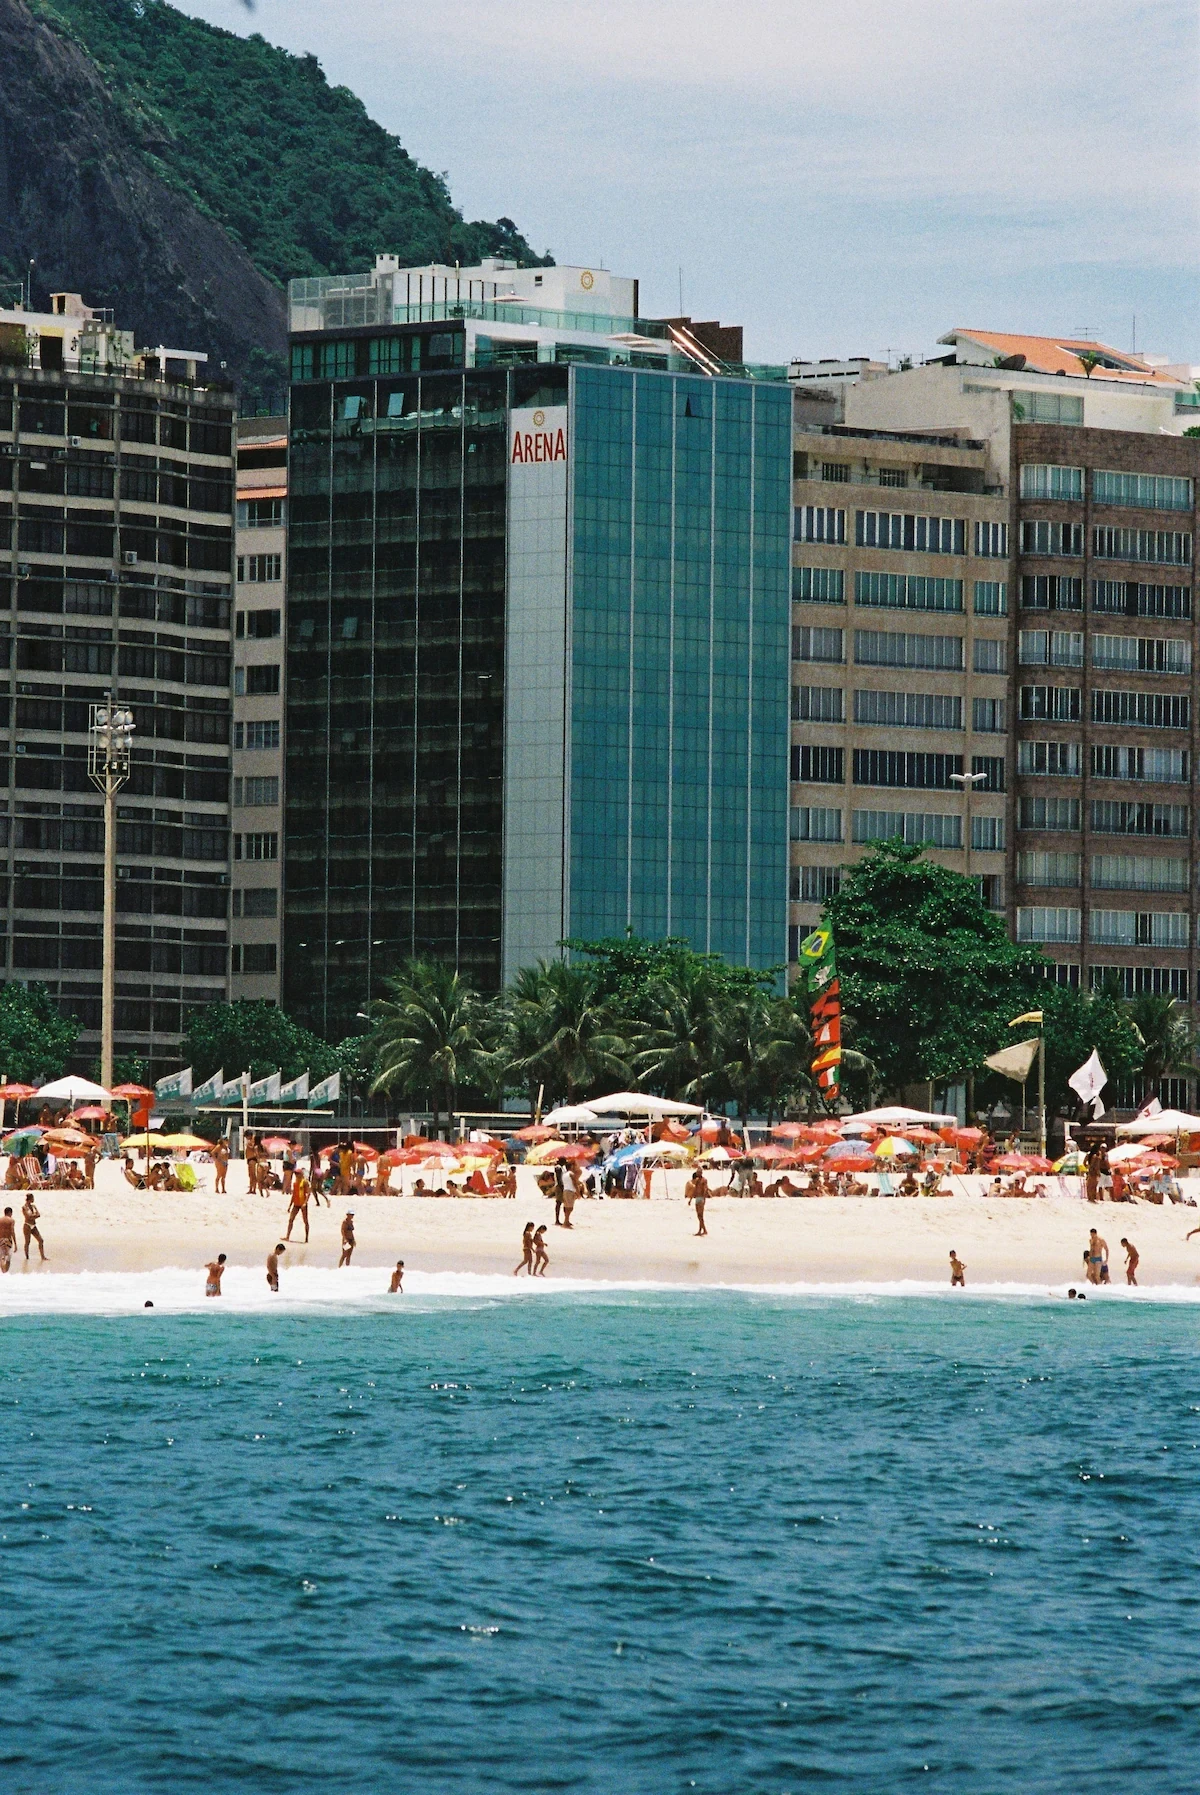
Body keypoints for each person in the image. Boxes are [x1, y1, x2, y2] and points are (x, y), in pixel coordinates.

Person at [285, 1172, 310, 1243]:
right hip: (296, 1204)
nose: (296, 1175)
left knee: (305, 1221)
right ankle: (287, 1236)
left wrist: (305, 1203)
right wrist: (290, 1206)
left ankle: (306, 1238)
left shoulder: (305, 1182)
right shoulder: (295, 1183)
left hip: (303, 1204)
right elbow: (293, 1195)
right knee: (291, 1220)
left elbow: (308, 1193)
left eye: (298, 1174)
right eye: (296, 1174)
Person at [22, 1194, 45, 1262]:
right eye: (32, 1198)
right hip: (27, 1225)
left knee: (41, 1240)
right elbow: (28, 1217)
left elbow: (38, 1215)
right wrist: (34, 1216)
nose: (33, 1199)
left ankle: (42, 1256)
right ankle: (27, 1257)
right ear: (30, 1199)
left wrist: (33, 1216)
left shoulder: (33, 1206)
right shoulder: (24, 1207)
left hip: (33, 1225)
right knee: (27, 1242)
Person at [686, 1168, 709, 1236]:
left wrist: (704, 1199)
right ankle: (703, 1230)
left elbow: (705, 1189)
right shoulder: (697, 1181)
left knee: (700, 1215)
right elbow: (695, 1190)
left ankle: (702, 1230)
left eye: (699, 1172)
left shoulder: (704, 1180)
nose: (697, 1174)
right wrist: (690, 1199)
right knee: (699, 1216)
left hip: (701, 1198)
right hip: (697, 1198)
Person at [0, 1206, 15, 1273]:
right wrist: (15, 1243)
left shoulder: (0, 1220)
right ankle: (5, 1272)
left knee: (2, 1257)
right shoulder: (11, 1220)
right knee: (8, 1258)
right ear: (10, 1213)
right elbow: (12, 1231)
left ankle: (3, 1272)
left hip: (0, 1240)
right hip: (8, 1240)